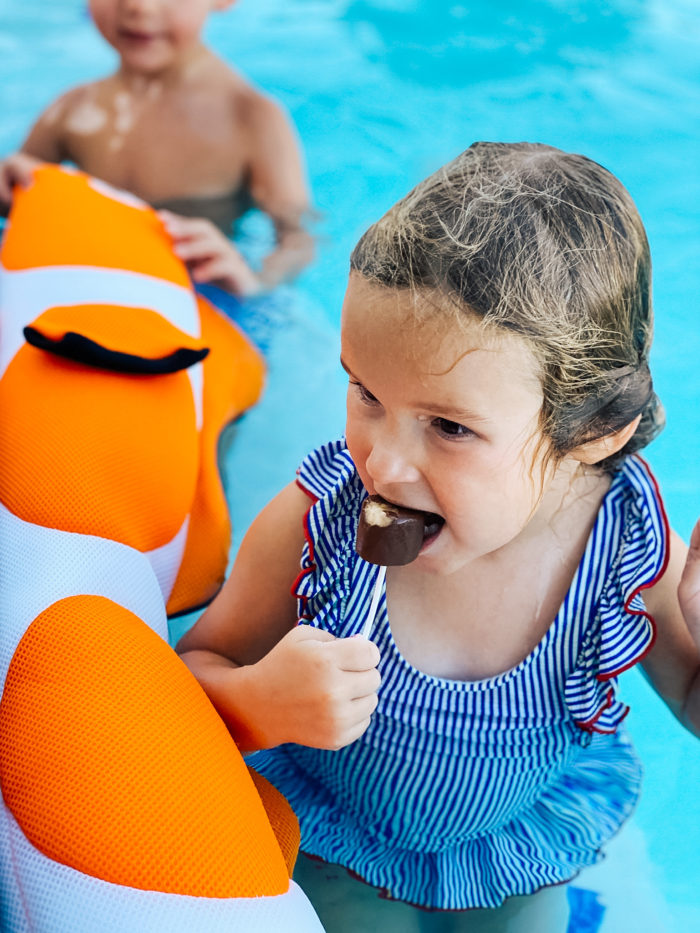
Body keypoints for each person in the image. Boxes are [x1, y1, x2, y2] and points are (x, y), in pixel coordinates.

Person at [176, 142, 700, 932]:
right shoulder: (321, 522)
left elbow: (690, 700)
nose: (383, 462)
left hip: (507, 845)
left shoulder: (620, 550)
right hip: (338, 836)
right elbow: (186, 671)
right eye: (366, 392)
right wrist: (257, 700)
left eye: (449, 426)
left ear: (592, 432)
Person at [0, 0, 313, 298]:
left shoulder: (251, 119)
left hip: (205, 295)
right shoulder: (71, 112)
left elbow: (298, 239)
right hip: (98, 281)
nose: (138, 6)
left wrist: (256, 283)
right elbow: (15, 206)